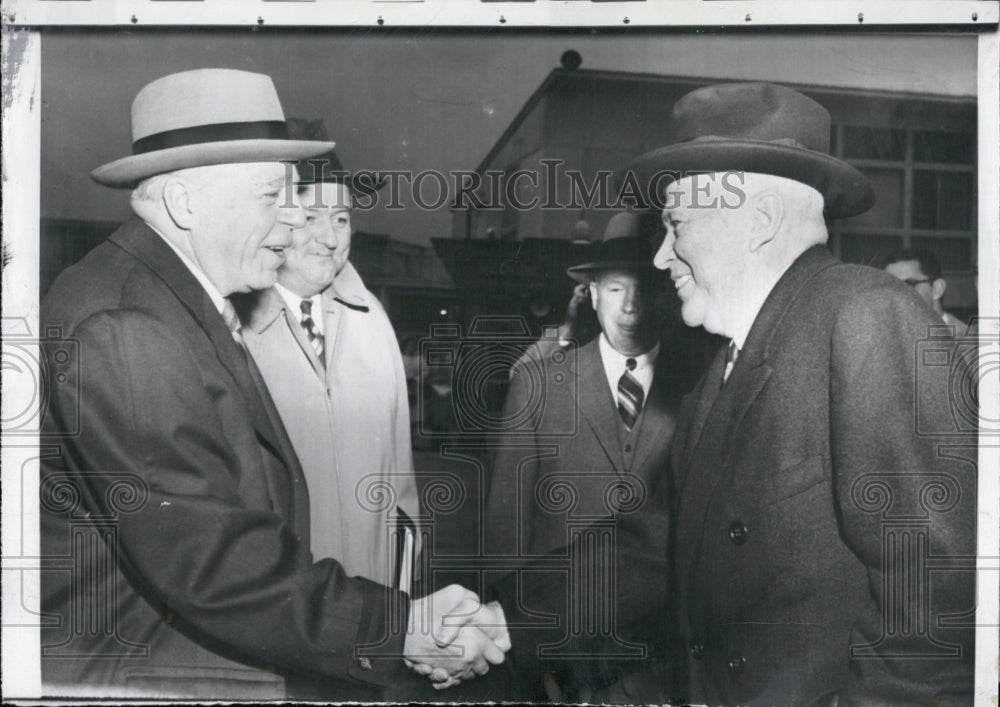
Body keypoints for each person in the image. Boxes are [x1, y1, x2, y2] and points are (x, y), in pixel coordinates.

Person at [39, 68, 507, 701]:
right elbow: (215, 561)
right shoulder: (128, 328)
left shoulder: (162, 299)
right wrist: (399, 627)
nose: (294, 225)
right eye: (273, 197)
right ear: (185, 203)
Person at [628, 81, 976, 705]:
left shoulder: (866, 317)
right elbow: (661, 540)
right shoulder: (726, 358)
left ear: (758, 223)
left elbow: (935, 595)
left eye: (676, 225)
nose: (661, 257)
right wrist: (502, 617)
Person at [485, 210, 682, 703]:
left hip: (665, 656)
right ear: (591, 294)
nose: (631, 306)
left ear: (669, 291)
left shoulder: (701, 384)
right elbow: (504, 532)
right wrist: (514, 655)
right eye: (616, 288)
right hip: (558, 647)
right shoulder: (536, 385)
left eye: (646, 287)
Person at [234, 128, 420, 588]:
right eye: (313, 217)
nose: (330, 239)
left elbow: (401, 488)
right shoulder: (231, 326)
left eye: (341, 220)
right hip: (281, 605)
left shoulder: (372, 321)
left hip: (374, 600)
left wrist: (401, 600)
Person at [884, 246, 969, 336]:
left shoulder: (966, 343)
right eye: (890, 287)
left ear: (937, 289)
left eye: (908, 284)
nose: (897, 295)